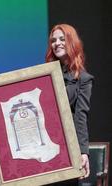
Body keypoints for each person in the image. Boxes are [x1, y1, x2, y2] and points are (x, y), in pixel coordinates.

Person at [45, 24, 93, 185]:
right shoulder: (44, 74)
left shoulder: (84, 79)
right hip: (45, 145)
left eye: (61, 39)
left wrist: (83, 152)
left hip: (67, 148)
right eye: (53, 40)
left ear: (72, 42)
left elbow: (81, 117)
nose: (56, 43)